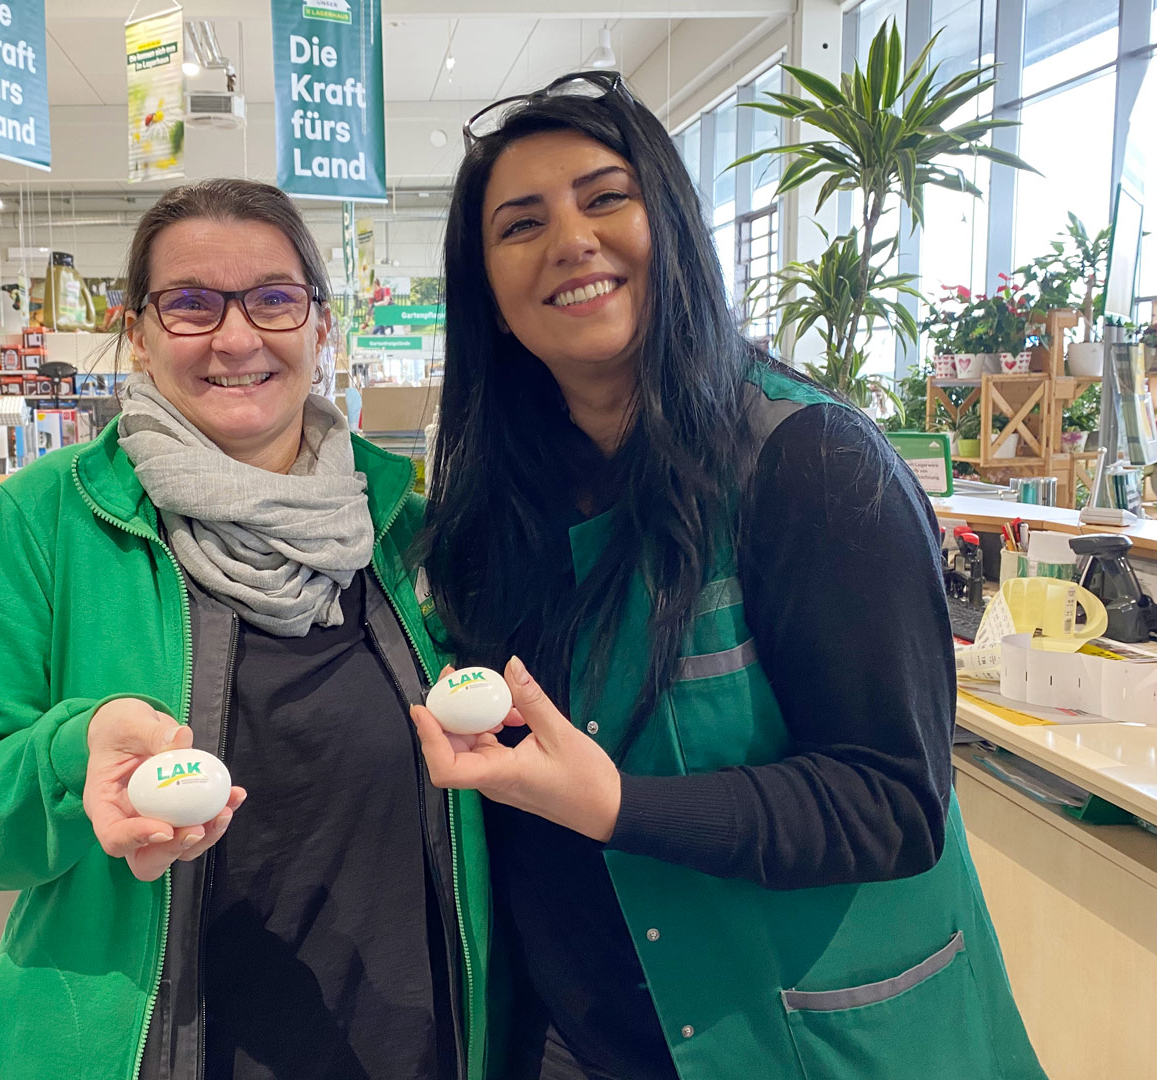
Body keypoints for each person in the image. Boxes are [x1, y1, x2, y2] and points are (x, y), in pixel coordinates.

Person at [410, 72, 1047, 1080]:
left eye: (605, 198)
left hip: (807, 1046)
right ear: (486, 293)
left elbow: (893, 800)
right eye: (520, 224)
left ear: (670, 225)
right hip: (580, 1039)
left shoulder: (810, 465)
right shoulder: (503, 505)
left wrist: (621, 805)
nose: (571, 240)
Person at [0, 178, 493, 1080]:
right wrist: (71, 755)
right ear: (139, 334)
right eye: (190, 304)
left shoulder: (402, 530)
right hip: (139, 1051)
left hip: (404, 1045)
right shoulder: (46, 521)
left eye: (273, 299)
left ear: (320, 327)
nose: (236, 337)